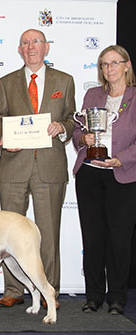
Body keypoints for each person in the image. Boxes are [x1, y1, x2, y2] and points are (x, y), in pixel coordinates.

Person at [0, 28, 75, 308]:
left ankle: (50, 291)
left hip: (49, 167)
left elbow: (72, 120)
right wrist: (1, 138)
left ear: (46, 47)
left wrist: (62, 127)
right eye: (25, 43)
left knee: (48, 234)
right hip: (13, 166)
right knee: (7, 234)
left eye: (36, 42)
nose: (30, 47)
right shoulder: (6, 82)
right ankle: (13, 290)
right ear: (19, 50)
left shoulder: (65, 80)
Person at [73, 45, 136, 315]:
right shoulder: (92, 94)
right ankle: (93, 296)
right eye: (103, 64)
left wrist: (121, 158)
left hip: (122, 175)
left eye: (113, 63)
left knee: (119, 240)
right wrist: (83, 140)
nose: (108, 69)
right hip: (90, 174)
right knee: (93, 238)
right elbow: (77, 132)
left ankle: (117, 298)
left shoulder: (135, 97)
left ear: (126, 66)